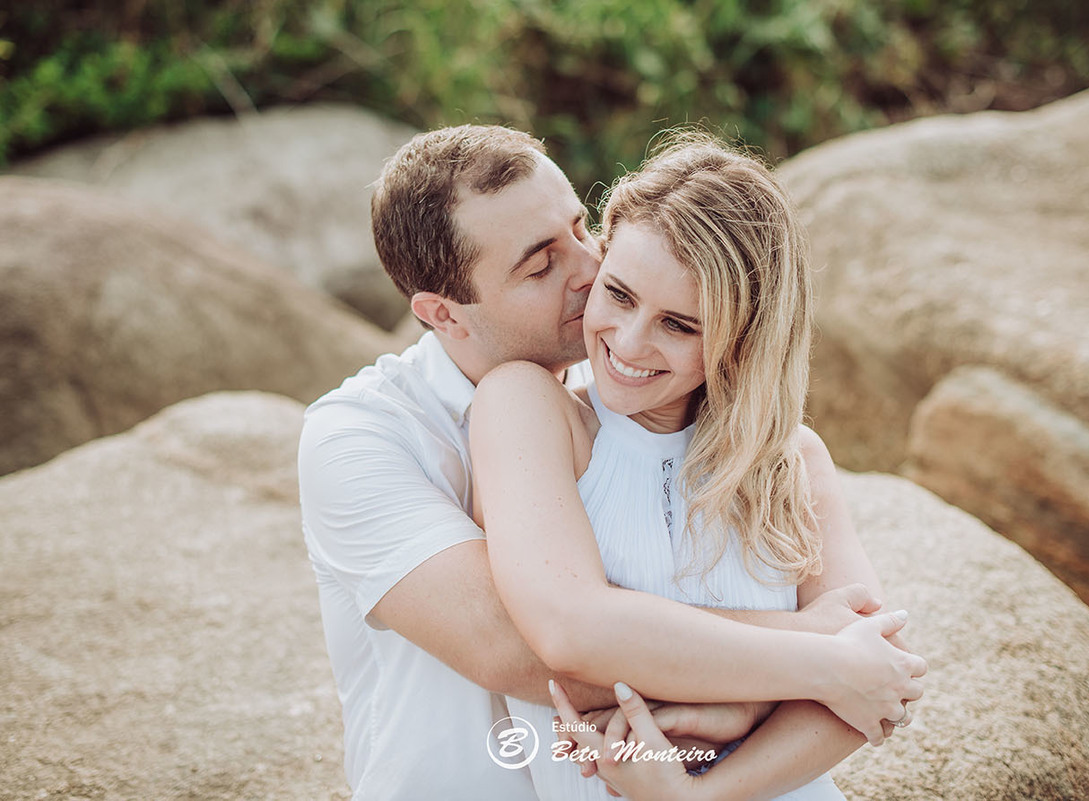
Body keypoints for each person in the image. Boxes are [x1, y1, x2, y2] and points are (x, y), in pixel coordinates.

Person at [298, 124, 923, 801]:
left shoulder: (766, 446)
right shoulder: (360, 434)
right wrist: (811, 657)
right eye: (541, 265)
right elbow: (525, 642)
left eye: (580, 227)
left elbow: (881, 676)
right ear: (443, 314)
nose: (588, 268)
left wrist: (774, 700)